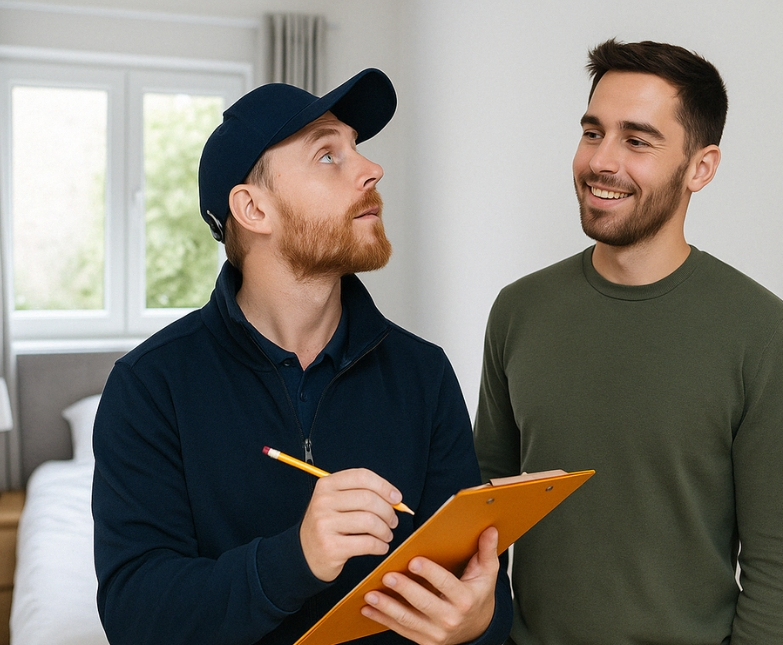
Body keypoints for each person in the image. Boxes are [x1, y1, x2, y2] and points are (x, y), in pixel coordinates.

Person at [92, 69, 512, 645]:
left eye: (357, 149)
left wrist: (478, 623)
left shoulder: (423, 373)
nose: (371, 169)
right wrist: (297, 558)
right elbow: (135, 615)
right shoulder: (149, 386)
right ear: (253, 209)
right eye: (327, 156)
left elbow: (482, 592)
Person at [474, 40, 783, 644]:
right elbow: (484, 517)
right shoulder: (519, 311)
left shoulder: (763, 336)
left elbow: (782, 570)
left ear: (701, 167)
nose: (602, 162)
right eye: (593, 132)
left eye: (637, 141)